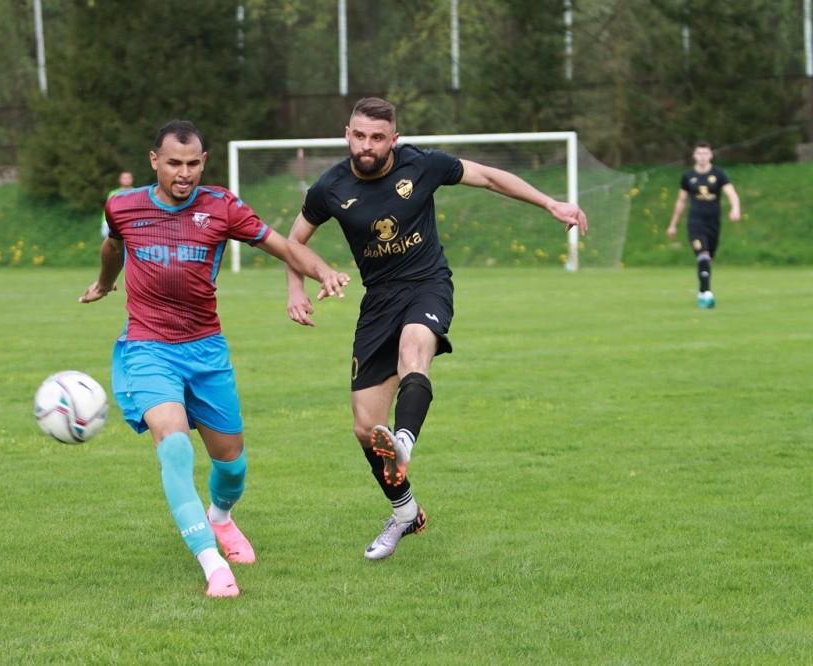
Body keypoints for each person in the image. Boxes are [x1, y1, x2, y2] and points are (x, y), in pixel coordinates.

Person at [284, 97, 588, 561]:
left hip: (427, 285)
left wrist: (550, 203)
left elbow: (489, 177)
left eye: (377, 137)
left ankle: (404, 443)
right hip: (377, 301)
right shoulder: (330, 187)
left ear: (394, 139)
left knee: (414, 351)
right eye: (359, 135)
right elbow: (293, 241)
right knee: (365, 427)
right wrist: (296, 289)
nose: (367, 146)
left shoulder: (422, 165)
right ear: (347, 133)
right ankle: (405, 512)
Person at [80, 120, 350, 597]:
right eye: (173, 164)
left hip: (206, 350)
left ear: (203, 162)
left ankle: (220, 518)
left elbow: (283, 246)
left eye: (192, 164)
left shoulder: (221, 206)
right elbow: (113, 244)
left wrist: (322, 269)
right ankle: (212, 563)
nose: (183, 174)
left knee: (231, 466)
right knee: (175, 448)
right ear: (154, 161)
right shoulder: (123, 205)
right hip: (148, 347)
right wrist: (105, 282)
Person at [666, 141, 741, 308]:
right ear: (694, 156)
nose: (702, 157)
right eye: (699, 154)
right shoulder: (688, 176)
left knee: (708, 259)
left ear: (711, 155)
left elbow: (731, 193)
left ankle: (702, 291)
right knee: (703, 255)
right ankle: (707, 294)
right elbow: (681, 201)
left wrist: (735, 208)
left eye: (705, 153)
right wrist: (673, 225)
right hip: (695, 222)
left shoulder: (719, 174)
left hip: (713, 223)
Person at [101, 171, 135, 239]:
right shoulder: (113, 193)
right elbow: (109, 209)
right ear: (120, 180)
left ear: (132, 179)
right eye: (124, 178)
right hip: (111, 220)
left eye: (128, 178)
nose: (126, 180)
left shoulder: (138, 192)